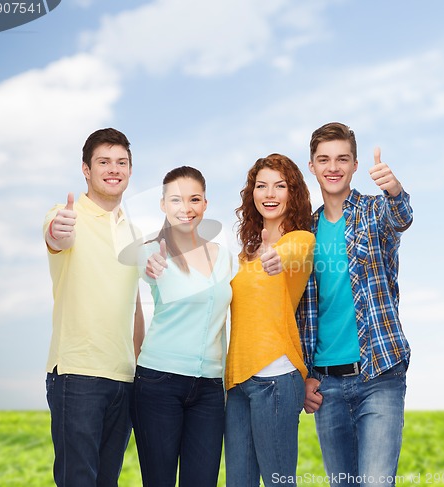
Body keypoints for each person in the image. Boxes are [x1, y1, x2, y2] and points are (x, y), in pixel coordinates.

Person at [297, 122, 413, 487]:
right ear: (312, 166)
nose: (333, 167)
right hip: (326, 383)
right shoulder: (305, 233)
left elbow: (401, 217)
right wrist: (306, 376)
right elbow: (302, 313)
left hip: (379, 375)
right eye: (324, 159)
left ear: (355, 165)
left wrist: (394, 190)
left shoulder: (374, 212)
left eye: (342, 159)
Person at [43, 128, 145, 487]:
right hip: (78, 374)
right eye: (104, 161)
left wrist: (139, 367)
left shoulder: (133, 232)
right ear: (86, 169)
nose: (113, 169)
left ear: (130, 171)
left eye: (121, 162)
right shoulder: (64, 214)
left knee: (107, 482)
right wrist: (60, 230)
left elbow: (134, 306)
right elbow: (57, 236)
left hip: (123, 378)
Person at [131, 166, 232, 487]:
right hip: (158, 382)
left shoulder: (227, 258)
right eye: (175, 200)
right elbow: (123, 301)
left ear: (205, 204)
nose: (185, 208)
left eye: (194, 199)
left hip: (210, 390)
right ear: (162, 204)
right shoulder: (150, 252)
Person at [225, 153, 315, 487]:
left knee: (279, 482)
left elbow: (286, 256)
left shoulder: (301, 240)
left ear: (293, 193)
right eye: (261, 186)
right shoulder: (242, 255)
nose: (270, 193)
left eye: (280, 185)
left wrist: (273, 256)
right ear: (252, 195)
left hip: (275, 380)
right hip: (237, 383)